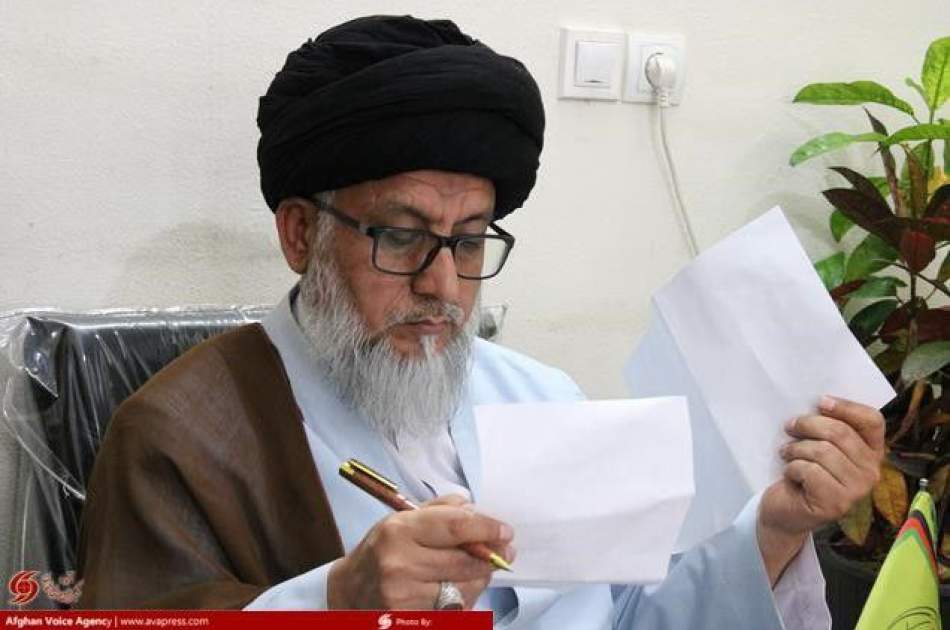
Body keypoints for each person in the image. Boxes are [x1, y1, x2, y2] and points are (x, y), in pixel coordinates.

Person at [77, 15, 886, 629]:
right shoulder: (182, 437)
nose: (442, 286)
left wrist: (775, 527)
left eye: (468, 242)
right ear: (300, 234)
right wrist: (338, 600)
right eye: (401, 237)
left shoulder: (539, 396)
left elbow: (628, 617)